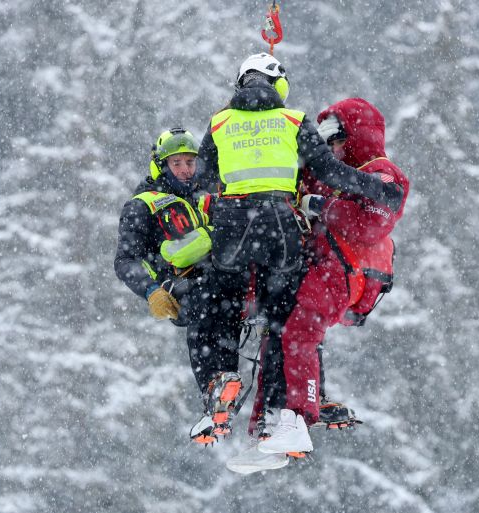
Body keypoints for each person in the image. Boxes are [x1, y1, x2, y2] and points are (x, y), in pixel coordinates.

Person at [192, 53, 405, 473]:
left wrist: (217, 205)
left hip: (240, 231)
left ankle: (243, 392)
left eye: (338, 136)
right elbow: (325, 168)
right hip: (283, 236)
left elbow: (201, 179)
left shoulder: (219, 122)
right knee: (283, 323)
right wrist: (364, 189)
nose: (334, 145)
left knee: (224, 304)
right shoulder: (292, 122)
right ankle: (280, 418)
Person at [114, 127, 244, 446]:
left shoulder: (210, 195)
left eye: (191, 162)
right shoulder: (144, 204)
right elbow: (126, 259)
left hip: (225, 277)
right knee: (206, 307)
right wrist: (151, 290)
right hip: (182, 283)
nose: (186, 170)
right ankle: (212, 390)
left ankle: (229, 394)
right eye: (178, 164)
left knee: (235, 312)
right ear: (161, 166)